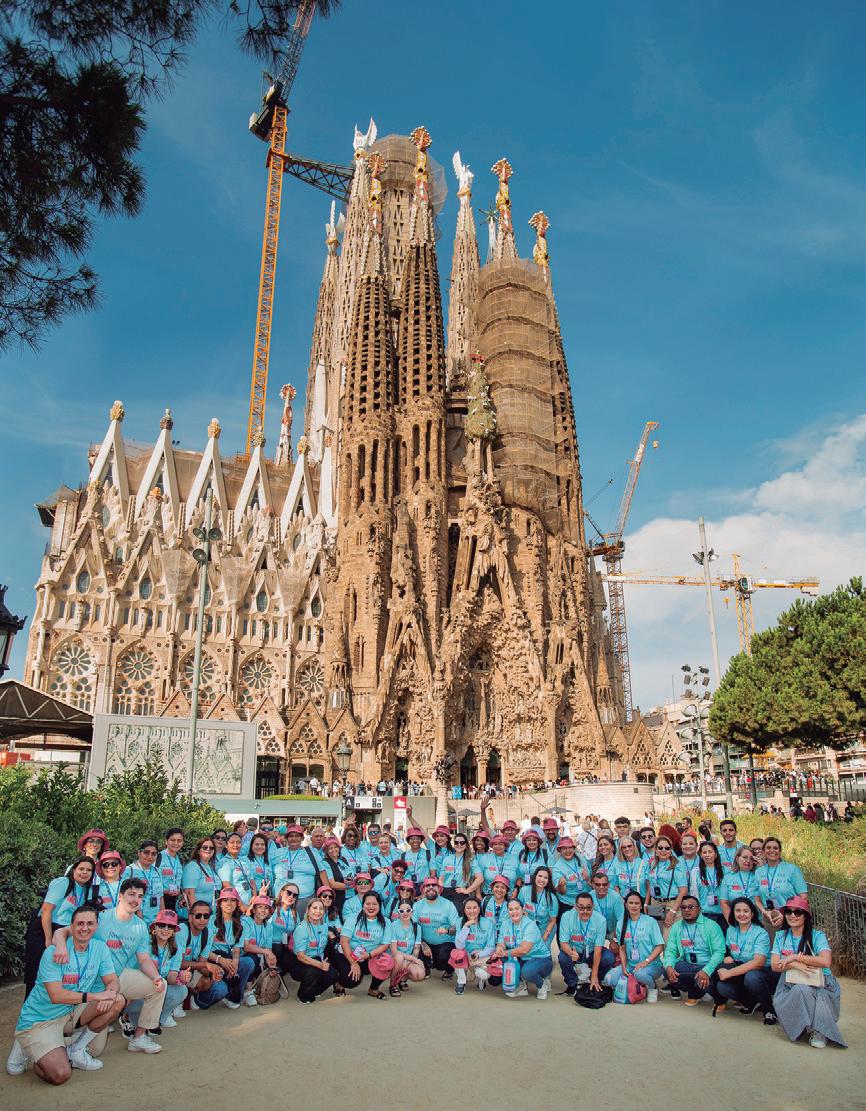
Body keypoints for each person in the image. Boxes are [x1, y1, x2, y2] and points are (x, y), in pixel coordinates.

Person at [7, 904, 125, 1082]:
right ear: (71, 926)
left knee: (118, 1000)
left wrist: (110, 993)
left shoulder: (100, 948)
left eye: (90, 923)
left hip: (71, 1012)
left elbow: (112, 980)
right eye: (80, 923)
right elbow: (56, 996)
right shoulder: (54, 952)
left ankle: (76, 1050)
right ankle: (30, 1049)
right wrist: (96, 996)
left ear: (96, 926)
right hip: (42, 1020)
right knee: (60, 1074)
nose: (84, 928)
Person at [771, 895, 847, 1048]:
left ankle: (820, 1030)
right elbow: (774, 965)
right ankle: (803, 1025)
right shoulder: (780, 936)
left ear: (806, 916)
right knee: (798, 990)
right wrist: (795, 965)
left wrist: (795, 957)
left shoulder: (817, 936)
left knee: (803, 989)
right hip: (790, 981)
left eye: (798, 912)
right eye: (789, 912)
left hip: (821, 982)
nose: (792, 915)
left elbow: (825, 961)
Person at [24, 855, 100, 996]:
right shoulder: (63, 883)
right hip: (45, 929)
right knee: (35, 974)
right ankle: (30, 1006)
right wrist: (48, 938)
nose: (84, 872)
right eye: (81, 869)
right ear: (74, 870)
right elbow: (46, 910)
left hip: (64, 932)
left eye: (89, 870)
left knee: (55, 973)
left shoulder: (86, 890)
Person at [125, 910, 191, 1031]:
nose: (166, 929)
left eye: (170, 926)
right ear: (154, 927)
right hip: (138, 990)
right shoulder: (144, 944)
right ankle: (130, 1019)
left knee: (181, 990)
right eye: (161, 925)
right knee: (149, 990)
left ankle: (157, 1020)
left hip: (159, 987)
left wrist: (180, 978)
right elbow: (131, 971)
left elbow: (171, 977)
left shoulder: (176, 949)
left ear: (174, 931)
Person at [714, 897, 776, 1023]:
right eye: (738, 911)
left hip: (762, 972)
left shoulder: (761, 933)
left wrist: (729, 973)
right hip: (742, 968)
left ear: (752, 914)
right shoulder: (731, 930)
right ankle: (750, 1002)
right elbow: (729, 949)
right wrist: (727, 957)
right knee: (722, 985)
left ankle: (769, 1010)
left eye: (746, 911)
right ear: (733, 913)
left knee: (752, 977)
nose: (742, 914)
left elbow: (758, 962)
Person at [663, 894, 726, 1006]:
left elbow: (719, 952)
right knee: (668, 969)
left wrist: (706, 970)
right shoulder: (677, 927)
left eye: (691, 907)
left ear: (699, 909)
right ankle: (695, 992)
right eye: (683, 907)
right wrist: (669, 967)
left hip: (708, 966)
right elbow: (670, 950)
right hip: (688, 965)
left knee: (711, 976)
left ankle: (719, 999)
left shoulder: (712, 926)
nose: (687, 910)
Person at [605, 890, 665, 1002]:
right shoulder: (621, 923)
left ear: (641, 906)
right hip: (630, 965)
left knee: (639, 974)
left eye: (637, 903)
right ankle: (635, 983)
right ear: (626, 905)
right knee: (609, 979)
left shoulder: (650, 921)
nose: (633, 906)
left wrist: (646, 961)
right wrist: (624, 967)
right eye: (631, 903)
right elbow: (622, 948)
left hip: (651, 965)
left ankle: (652, 987)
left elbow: (660, 946)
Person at [493, 899, 553, 999]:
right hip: (521, 958)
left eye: (517, 908)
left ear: (522, 909)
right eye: (511, 909)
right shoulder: (505, 924)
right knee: (502, 957)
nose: (514, 912)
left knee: (527, 971)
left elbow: (524, 950)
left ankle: (542, 985)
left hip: (540, 958)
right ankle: (522, 986)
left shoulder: (530, 925)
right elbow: (501, 943)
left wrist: (504, 953)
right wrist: (499, 948)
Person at [558, 891, 615, 997]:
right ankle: (573, 983)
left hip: (592, 951)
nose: (585, 911)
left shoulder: (601, 920)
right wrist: (570, 952)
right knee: (562, 957)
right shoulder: (566, 917)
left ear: (593, 907)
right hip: (575, 951)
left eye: (588, 908)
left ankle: (594, 980)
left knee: (609, 957)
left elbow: (598, 949)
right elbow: (563, 942)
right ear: (575, 907)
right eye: (581, 908)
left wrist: (594, 975)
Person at [337, 891, 392, 998]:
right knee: (350, 981)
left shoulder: (386, 922)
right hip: (348, 955)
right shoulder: (353, 918)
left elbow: (385, 944)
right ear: (363, 905)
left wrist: (369, 955)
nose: (371, 907)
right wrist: (353, 963)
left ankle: (373, 989)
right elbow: (344, 941)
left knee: (387, 962)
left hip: (370, 956)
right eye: (368, 904)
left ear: (380, 906)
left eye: (374, 904)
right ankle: (338, 982)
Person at [178, 899, 228, 1009]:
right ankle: (177, 1002)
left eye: (206, 916)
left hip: (189, 970)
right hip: (173, 971)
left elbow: (201, 963)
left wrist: (213, 973)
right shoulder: (182, 930)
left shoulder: (208, 933)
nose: (202, 919)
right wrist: (207, 965)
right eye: (198, 916)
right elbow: (179, 964)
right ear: (190, 917)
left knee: (218, 987)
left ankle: (193, 998)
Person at [211, 888, 256, 1008]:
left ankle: (234, 995)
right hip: (214, 959)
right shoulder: (210, 921)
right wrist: (221, 960)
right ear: (220, 903)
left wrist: (235, 962)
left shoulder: (241, 923)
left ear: (237, 904)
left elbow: (237, 948)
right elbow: (204, 951)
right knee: (219, 988)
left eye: (232, 900)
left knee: (248, 962)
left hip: (230, 958)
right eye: (225, 900)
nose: (229, 903)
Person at [290, 898, 338, 1004]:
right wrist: (320, 965)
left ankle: (315, 991)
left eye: (321, 908)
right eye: (315, 908)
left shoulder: (324, 926)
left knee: (333, 974)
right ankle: (303, 996)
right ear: (308, 910)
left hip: (317, 958)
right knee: (313, 971)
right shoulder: (302, 928)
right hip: (300, 962)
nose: (318, 911)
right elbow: (300, 956)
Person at [754, 838, 808, 931]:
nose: (772, 850)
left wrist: (785, 914)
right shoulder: (759, 872)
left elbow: (803, 897)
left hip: (791, 918)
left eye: (775, 848)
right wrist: (764, 912)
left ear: (780, 851)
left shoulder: (792, 869)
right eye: (768, 848)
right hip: (769, 919)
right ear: (763, 851)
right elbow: (757, 899)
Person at [272, 825, 326, 915]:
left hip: (304, 900)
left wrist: (326, 893)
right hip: (280, 900)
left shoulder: (312, 853)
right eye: (291, 836)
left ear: (302, 838)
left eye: (297, 836)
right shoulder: (277, 853)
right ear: (286, 838)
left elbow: (322, 872)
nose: (293, 838)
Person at [413, 876, 459, 978]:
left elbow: (457, 928)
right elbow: (414, 927)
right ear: (423, 889)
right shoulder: (417, 906)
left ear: (439, 889)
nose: (430, 887)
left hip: (444, 943)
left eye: (434, 885)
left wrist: (447, 930)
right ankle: (426, 966)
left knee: (442, 960)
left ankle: (449, 969)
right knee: (415, 946)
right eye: (427, 886)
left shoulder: (448, 905)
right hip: (425, 942)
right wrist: (422, 943)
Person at [449, 897, 498, 993]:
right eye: (468, 908)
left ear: (479, 909)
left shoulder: (488, 923)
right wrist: (466, 926)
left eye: (475, 908)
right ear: (464, 910)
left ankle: (480, 979)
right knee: (457, 954)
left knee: (483, 974)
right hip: (466, 956)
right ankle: (461, 982)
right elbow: (459, 946)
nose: (472, 911)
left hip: (481, 956)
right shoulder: (460, 921)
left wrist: (479, 955)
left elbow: (491, 946)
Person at [645, 835, 687, 935]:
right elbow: (650, 885)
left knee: (667, 938)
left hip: (671, 905)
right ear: (656, 850)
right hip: (655, 905)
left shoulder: (677, 865)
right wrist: (646, 903)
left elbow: (683, 891)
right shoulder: (653, 864)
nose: (663, 850)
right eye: (660, 848)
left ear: (671, 850)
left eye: (667, 848)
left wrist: (673, 911)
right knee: (657, 937)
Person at [386, 901, 425, 995]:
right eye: (401, 911)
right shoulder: (393, 926)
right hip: (394, 958)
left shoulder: (417, 927)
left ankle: (402, 979)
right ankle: (392, 984)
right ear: (398, 913)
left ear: (412, 912)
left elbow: (416, 948)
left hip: (408, 958)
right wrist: (413, 959)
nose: (405, 913)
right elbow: (394, 951)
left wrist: (410, 961)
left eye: (408, 910)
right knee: (399, 958)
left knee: (419, 974)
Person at [121, 841, 165, 924]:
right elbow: (124, 898)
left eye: (153, 854)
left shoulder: (157, 871)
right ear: (139, 853)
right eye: (146, 852)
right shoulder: (129, 871)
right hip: (136, 919)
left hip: (156, 920)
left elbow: (160, 897)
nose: (150, 856)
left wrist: (163, 919)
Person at [517, 866, 557, 949]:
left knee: (541, 951)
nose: (542, 880)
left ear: (548, 881)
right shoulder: (524, 891)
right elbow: (518, 909)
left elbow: (552, 921)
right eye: (540, 876)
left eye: (545, 878)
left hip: (544, 928)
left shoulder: (551, 898)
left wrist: (544, 938)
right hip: (527, 927)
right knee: (526, 950)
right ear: (535, 876)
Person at [181, 837, 219, 915]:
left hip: (210, 913)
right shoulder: (193, 866)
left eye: (211, 848)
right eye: (205, 847)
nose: (208, 849)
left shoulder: (210, 867)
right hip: (199, 915)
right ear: (198, 851)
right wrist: (197, 913)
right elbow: (189, 893)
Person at [692, 841, 726, 930]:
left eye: (710, 852)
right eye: (704, 852)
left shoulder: (725, 871)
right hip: (704, 915)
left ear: (716, 854)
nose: (707, 855)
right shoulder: (696, 872)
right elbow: (694, 895)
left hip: (722, 915)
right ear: (700, 855)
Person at [719, 846, 760, 920]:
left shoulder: (759, 876)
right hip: (736, 920)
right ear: (737, 859)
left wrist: (762, 868)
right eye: (745, 857)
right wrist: (731, 923)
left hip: (757, 920)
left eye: (751, 858)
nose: (748, 861)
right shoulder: (728, 878)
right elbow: (724, 903)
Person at [157, 828, 185, 912]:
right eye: (173, 840)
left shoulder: (180, 860)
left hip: (175, 901)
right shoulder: (158, 857)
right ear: (166, 841)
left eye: (179, 841)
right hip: (160, 900)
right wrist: (164, 891)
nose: (176, 843)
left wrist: (180, 893)